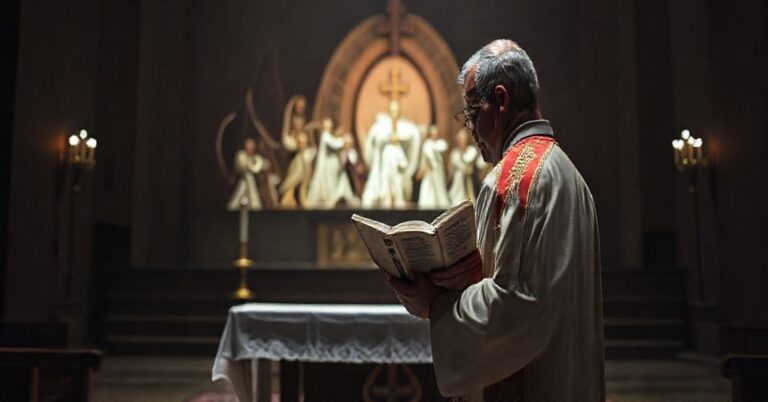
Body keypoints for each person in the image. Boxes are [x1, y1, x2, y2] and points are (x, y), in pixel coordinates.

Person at [387, 39, 605, 401]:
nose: (470, 130)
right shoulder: (571, 176)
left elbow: (512, 307)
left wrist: (435, 305)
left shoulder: (515, 178)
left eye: (473, 113)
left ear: (501, 101)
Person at [417, 125, 451, 209]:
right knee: (428, 186)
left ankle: (439, 202)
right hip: (430, 170)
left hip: (438, 170)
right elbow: (424, 159)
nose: (434, 134)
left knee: (439, 185)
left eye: (435, 133)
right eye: (432, 133)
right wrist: (423, 169)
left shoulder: (440, 144)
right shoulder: (427, 144)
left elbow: (443, 154)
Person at [447, 128, 480, 206]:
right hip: (457, 181)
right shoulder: (454, 153)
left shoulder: (471, 151)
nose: (462, 141)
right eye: (460, 139)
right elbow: (451, 170)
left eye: (463, 139)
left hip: (468, 180)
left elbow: (469, 167)